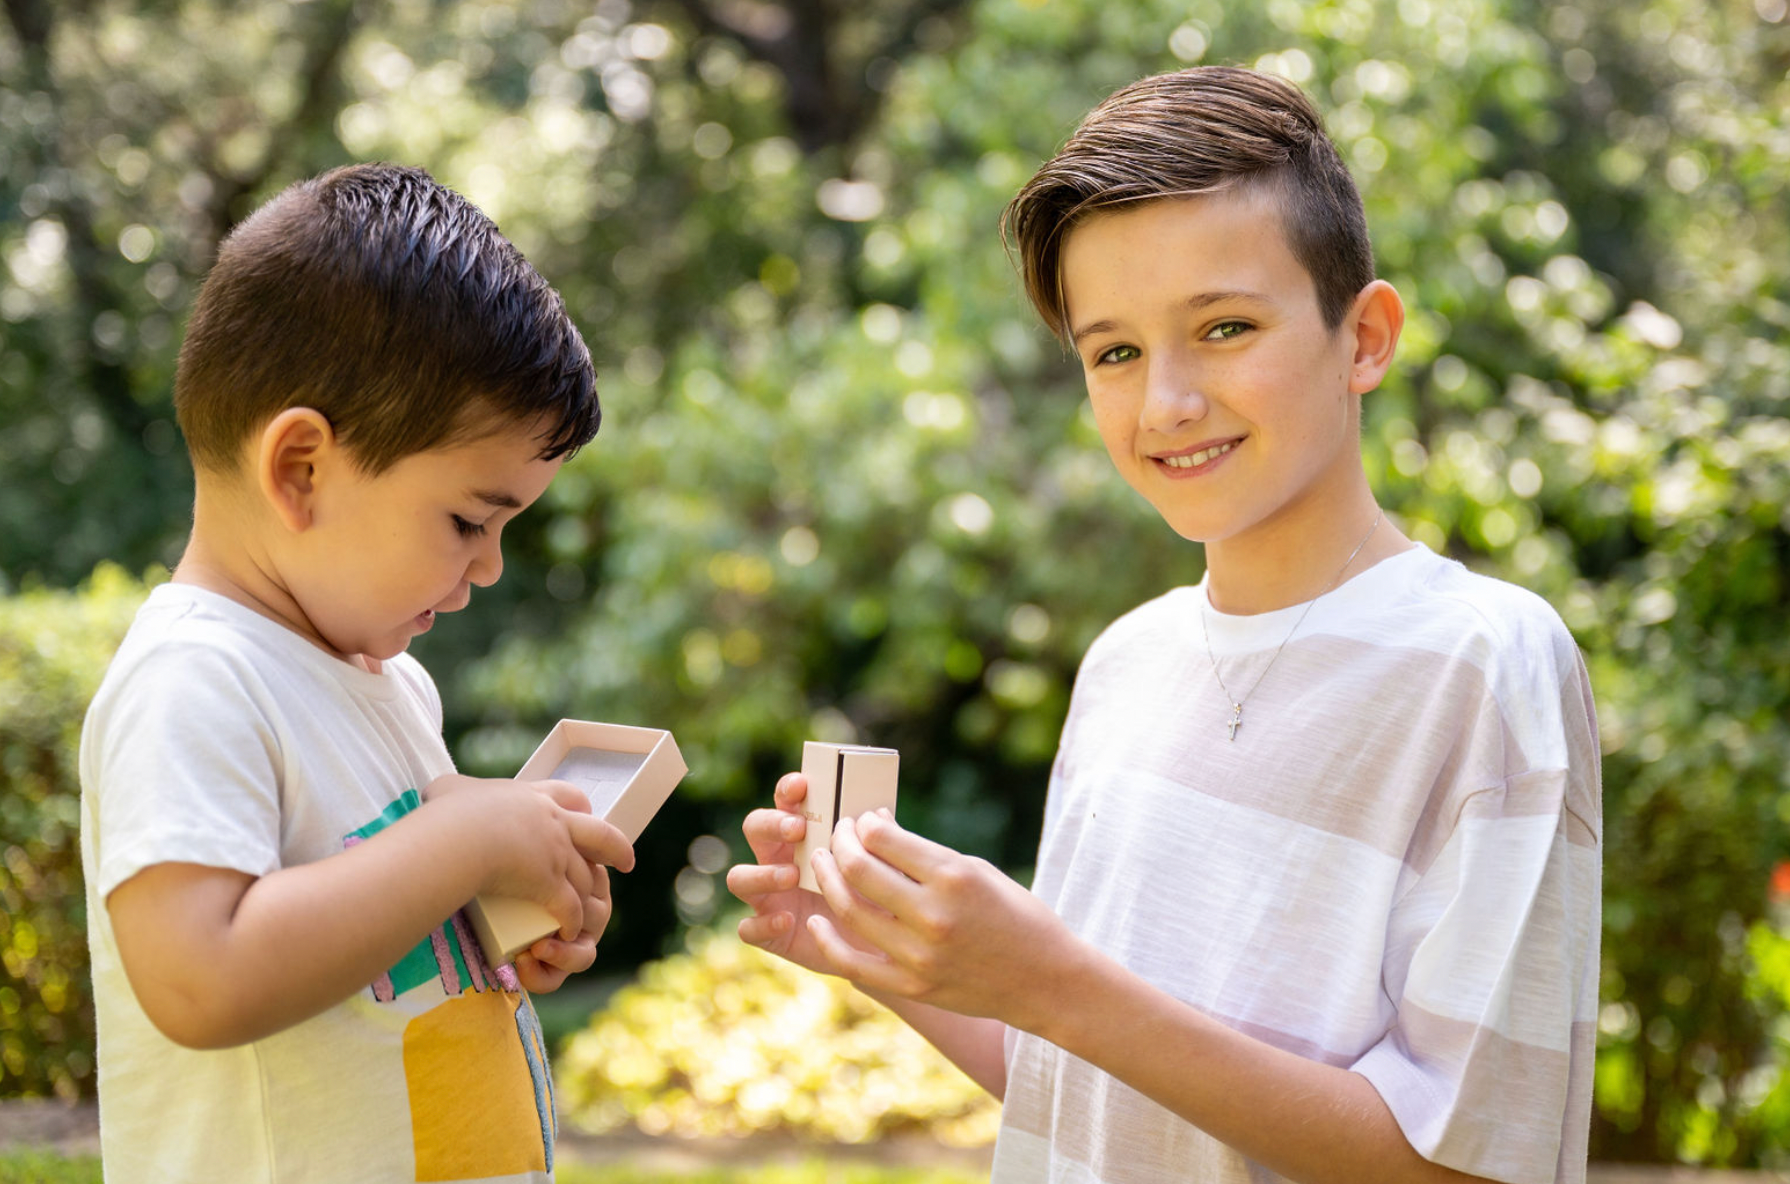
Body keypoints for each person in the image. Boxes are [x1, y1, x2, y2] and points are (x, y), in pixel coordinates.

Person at [728, 66, 1601, 1183]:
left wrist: (1051, 979)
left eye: (1224, 326)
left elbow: (1466, 1162)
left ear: (1364, 337)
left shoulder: (1484, 662)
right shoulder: (1124, 663)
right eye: (1114, 352)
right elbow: (1094, 1080)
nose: (1165, 403)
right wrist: (888, 958)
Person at [78, 163, 633, 1183]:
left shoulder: (389, 685)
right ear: (301, 468)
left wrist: (498, 912)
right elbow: (204, 975)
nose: (489, 565)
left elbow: (368, 935)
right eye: (470, 518)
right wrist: (459, 841)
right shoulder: (195, 678)